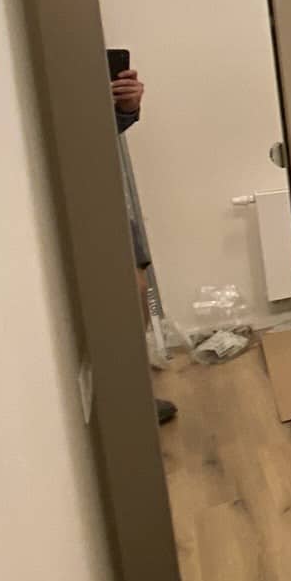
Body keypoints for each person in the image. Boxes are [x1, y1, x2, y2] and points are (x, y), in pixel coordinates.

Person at [113, 60, 176, 426]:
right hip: (84, 195)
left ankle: (135, 393)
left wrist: (127, 107)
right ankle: (127, 399)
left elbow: (108, 129)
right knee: (125, 293)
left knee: (137, 290)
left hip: (107, 191)